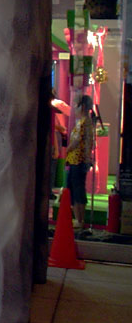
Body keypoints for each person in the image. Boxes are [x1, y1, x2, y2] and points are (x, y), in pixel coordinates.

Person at [65, 94, 96, 230]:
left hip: (78, 161)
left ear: (82, 107)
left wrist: (67, 150)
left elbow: (76, 141)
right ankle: (77, 219)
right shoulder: (84, 122)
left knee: (78, 189)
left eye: (75, 105)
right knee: (74, 188)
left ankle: (79, 219)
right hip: (76, 160)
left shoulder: (84, 122)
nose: (74, 108)